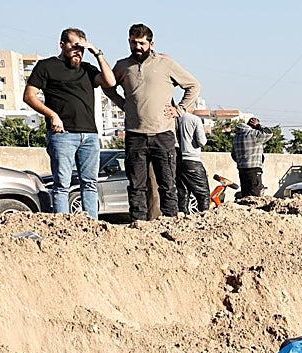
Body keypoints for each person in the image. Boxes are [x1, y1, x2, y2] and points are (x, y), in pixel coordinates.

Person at [104, 23, 200, 220]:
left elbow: (193, 85)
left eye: (141, 43)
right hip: (135, 135)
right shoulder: (123, 66)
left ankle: (171, 223)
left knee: (167, 185)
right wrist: (124, 104)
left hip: (162, 135)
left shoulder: (165, 64)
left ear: (151, 43)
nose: (137, 47)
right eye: (133, 42)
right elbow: (108, 86)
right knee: (136, 185)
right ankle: (138, 224)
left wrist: (179, 110)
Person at [23, 28, 116, 219]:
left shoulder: (88, 69)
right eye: (74, 46)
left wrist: (96, 53)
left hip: (89, 134)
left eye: (81, 48)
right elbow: (29, 96)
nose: (78, 51)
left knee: (90, 183)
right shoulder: (46, 66)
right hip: (62, 135)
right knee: (62, 185)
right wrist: (52, 115)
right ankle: (63, 227)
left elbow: (110, 81)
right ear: (62, 45)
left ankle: (91, 227)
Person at [175, 107, 209, 213]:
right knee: (203, 193)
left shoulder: (175, 119)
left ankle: (182, 218)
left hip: (178, 160)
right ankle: (204, 218)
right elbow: (201, 141)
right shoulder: (194, 119)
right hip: (192, 160)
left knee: (183, 193)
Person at [232, 116, 272, 198]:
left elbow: (233, 154)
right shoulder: (253, 134)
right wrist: (258, 126)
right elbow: (268, 133)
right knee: (255, 196)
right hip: (254, 169)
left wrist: (242, 161)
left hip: (242, 169)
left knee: (246, 195)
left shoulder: (236, 137)